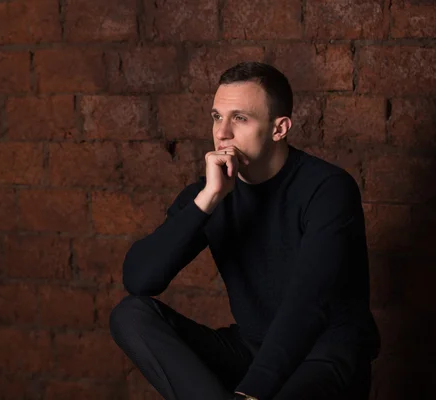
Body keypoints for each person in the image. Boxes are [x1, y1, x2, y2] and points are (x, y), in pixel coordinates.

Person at [109, 61, 381, 400]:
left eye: (240, 118)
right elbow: (140, 279)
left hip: (324, 353)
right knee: (130, 316)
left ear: (279, 128)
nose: (222, 132)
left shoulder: (327, 189)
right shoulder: (212, 191)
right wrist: (208, 199)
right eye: (216, 117)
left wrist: (250, 392)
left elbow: (308, 304)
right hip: (253, 349)